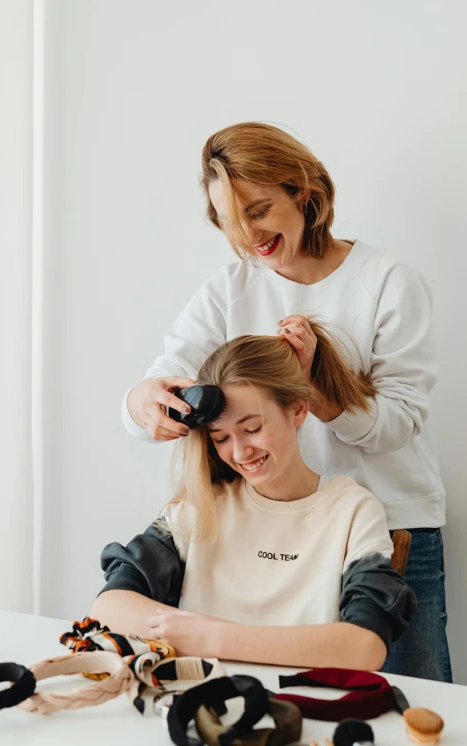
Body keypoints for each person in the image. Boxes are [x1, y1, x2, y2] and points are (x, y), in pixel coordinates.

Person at [122, 122, 450, 681]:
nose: (248, 236)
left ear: (304, 191)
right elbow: (162, 375)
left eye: (258, 211)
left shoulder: (387, 281)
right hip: (280, 526)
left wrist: (319, 392)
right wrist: (144, 400)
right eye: (230, 222)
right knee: (294, 695)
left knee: (410, 700)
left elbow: (402, 420)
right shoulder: (230, 288)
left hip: (391, 527)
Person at [94, 328, 416, 670]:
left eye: (252, 429)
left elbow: (364, 647)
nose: (239, 452)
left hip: (302, 709)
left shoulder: (352, 511)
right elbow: (109, 608)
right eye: (220, 438)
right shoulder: (200, 507)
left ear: (298, 410)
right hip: (200, 703)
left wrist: (213, 638)